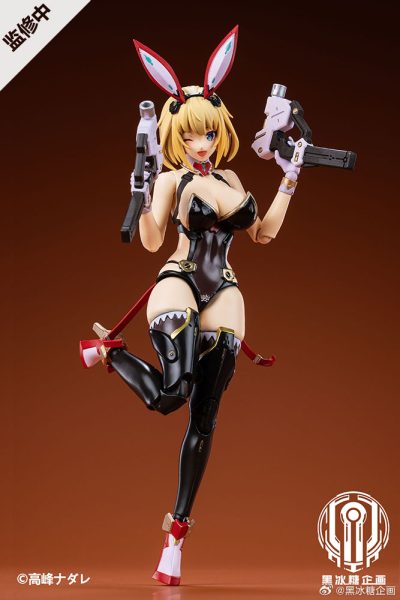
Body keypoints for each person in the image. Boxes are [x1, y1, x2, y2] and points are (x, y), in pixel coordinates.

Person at [81, 25, 300, 586]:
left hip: (224, 288)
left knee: (205, 417)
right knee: (170, 397)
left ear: (219, 132)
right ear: (175, 136)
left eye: (208, 133)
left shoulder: (230, 177)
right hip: (179, 279)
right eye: (191, 135)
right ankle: (111, 353)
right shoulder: (172, 179)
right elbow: (153, 240)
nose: (201, 143)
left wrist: (289, 180)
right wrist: (142, 189)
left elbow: (262, 232)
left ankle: (175, 537)